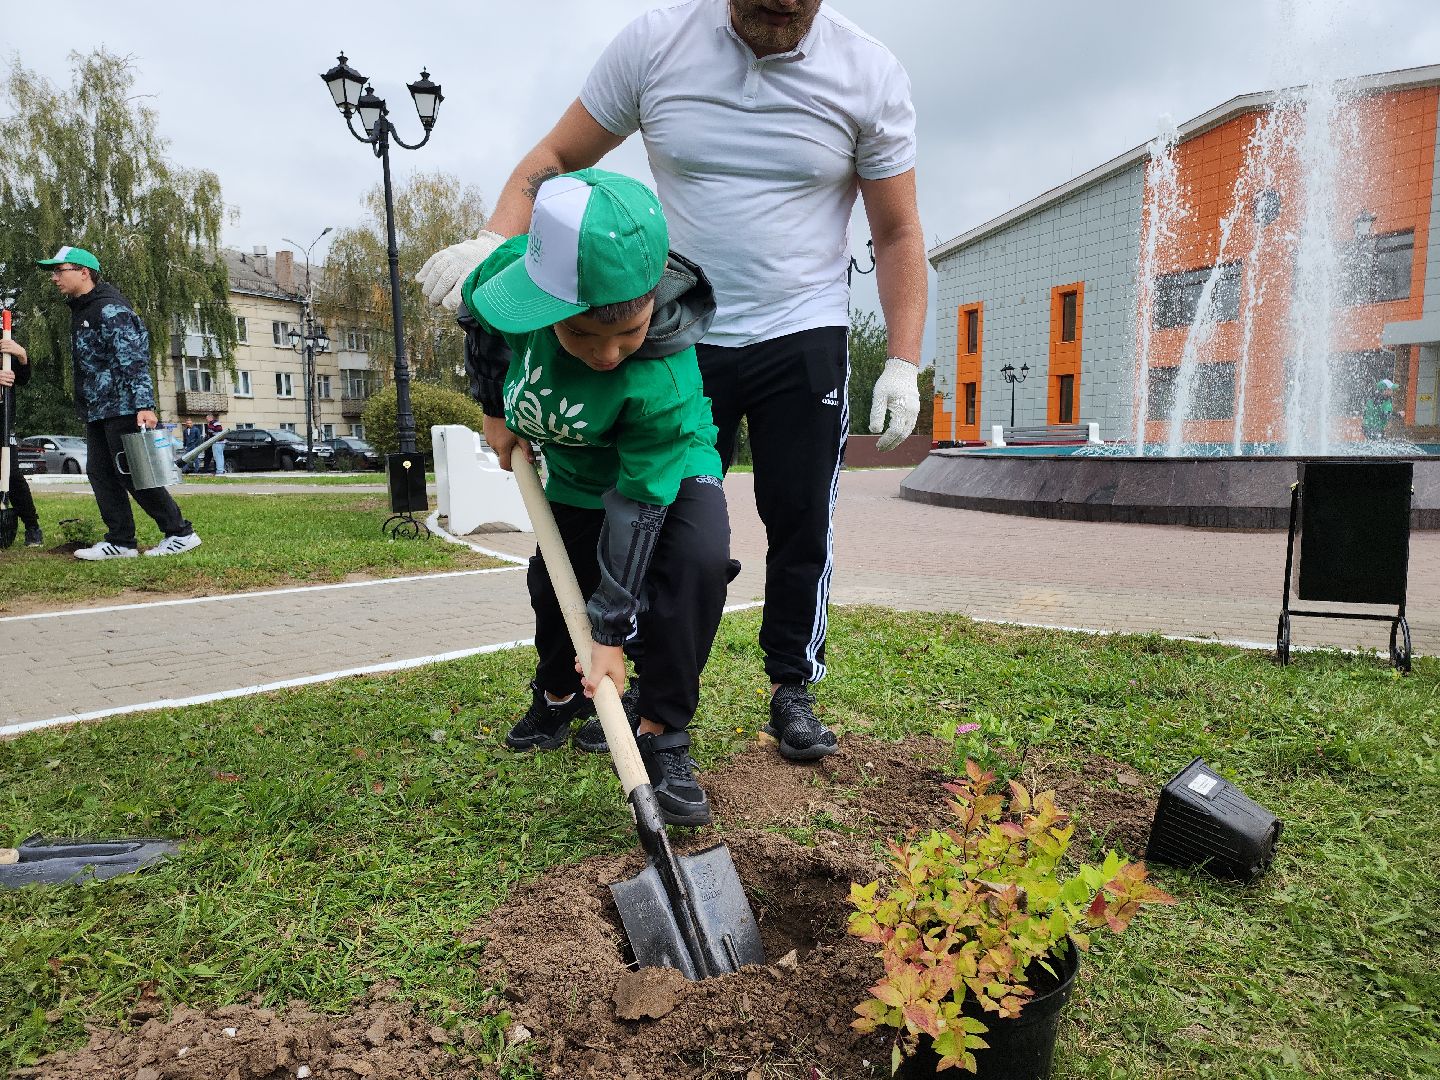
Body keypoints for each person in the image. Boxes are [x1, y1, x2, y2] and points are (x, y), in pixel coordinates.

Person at [417, 0, 927, 763]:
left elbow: (896, 231)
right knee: (658, 520)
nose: (782, 8)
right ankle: (633, 688)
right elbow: (554, 159)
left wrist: (902, 358)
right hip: (666, 334)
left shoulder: (870, 73)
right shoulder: (656, 45)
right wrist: (497, 244)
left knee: (800, 521)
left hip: (803, 329)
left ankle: (792, 686)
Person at [461, 168, 730, 827]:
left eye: (629, 332)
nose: (609, 355)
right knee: (555, 590)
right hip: (578, 471)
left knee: (693, 564)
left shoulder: (661, 372)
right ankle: (559, 699)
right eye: (582, 336)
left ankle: (660, 729)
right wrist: (494, 411)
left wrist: (610, 632)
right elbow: (481, 323)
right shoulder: (513, 290)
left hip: (666, 459)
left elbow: (639, 504)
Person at [37, 245, 201, 559]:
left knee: (133, 471)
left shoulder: (110, 309)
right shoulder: (83, 310)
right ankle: (121, 541)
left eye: (60, 270)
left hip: (123, 405)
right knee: (100, 471)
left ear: (83, 272)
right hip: (100, 407)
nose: (54, 277)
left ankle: (180, 532)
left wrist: (144, 405)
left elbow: (134, 361)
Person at [0, 330, 44, 548]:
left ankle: (32, 526)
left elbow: (23, 378)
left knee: (13, 475)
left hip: (3, 421)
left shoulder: (4, 338)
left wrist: (22, 356)